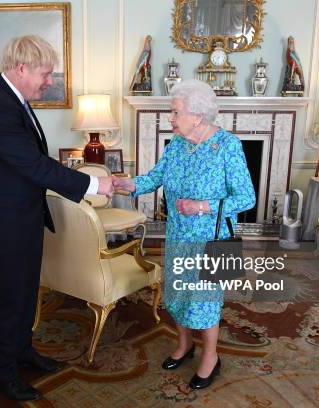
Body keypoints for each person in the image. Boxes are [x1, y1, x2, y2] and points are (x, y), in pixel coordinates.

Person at [0, 35, 114, 402]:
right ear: (21, 68)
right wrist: (95, 182)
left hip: (21, 218)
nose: (49, 81)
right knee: (7, 299)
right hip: (4, 224)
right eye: (45, 73)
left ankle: (22, 352)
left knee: (25, 292)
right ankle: (2, 372)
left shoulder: (14, 100)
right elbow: (33, 165)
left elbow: (30, 163)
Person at [114, 79, 255, 390]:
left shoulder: (228, 146)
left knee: (205, 300)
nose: (171, 118)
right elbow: (156, 176)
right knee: (178, 294)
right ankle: (184, 345)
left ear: (198, 116)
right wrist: (129, 184)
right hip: (178, 234)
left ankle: (211, 357)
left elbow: (247, 198)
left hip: (214, 238)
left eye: (175, 112)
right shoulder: (177, 143)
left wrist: (202, 205)